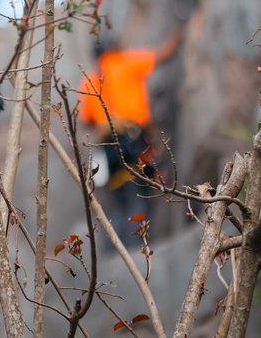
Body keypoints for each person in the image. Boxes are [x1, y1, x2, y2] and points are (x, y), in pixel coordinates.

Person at [78, 27, 183, 245]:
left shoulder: (89, 79)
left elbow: (85, 120)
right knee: (139, 197)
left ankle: (117, 255)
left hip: (107, 148)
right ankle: (137, 251)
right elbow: (164, 53)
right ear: (113, 47)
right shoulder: (125, 62)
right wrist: (181, 29)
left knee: (120, 202)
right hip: (132, 141)